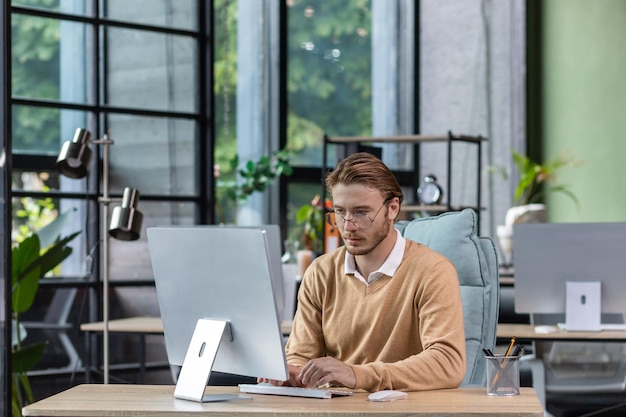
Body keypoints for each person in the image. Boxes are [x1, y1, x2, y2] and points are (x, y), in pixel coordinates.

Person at [261, 152, 466, 392]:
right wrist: (292, 374)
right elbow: (299, 356)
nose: (348, 226)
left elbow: (448, 363)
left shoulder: (433, 272)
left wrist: (358, 375)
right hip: (338, 410)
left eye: (361, 212)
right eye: (340, 212)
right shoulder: (320, 272)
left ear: (392, 208)